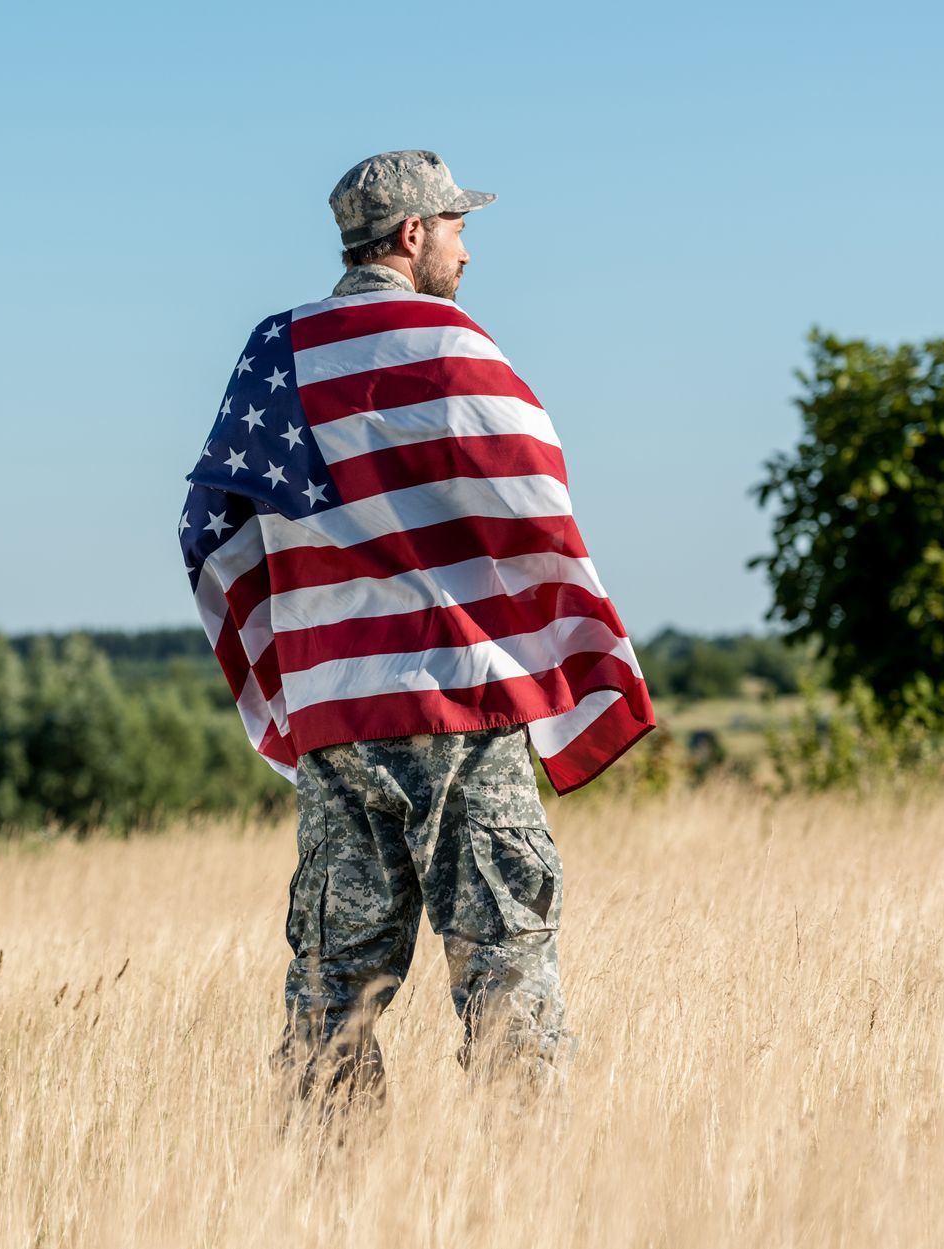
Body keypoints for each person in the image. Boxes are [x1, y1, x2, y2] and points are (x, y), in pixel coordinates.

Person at [178, 150, 654, 1112]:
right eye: (459, 227)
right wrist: (576, 641)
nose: (468, 251)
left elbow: (207, 528)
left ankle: (326, 1204)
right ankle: (528, 1203)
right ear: (413, 234)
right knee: (507, 971)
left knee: (328, 995)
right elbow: (536, 499)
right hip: (460, 707)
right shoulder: (452, 345)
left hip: (335, 718)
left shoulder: (275, 353)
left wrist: (293, 667)